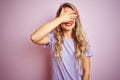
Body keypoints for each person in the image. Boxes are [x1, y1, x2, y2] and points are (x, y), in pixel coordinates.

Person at [30, 2, 93, 80]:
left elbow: (86, 72)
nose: (68, 19)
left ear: (76, 19)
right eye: (65, 16)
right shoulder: (53, 39)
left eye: (71, 16)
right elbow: (34, 37)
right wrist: (60, 19)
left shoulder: (83, 43)